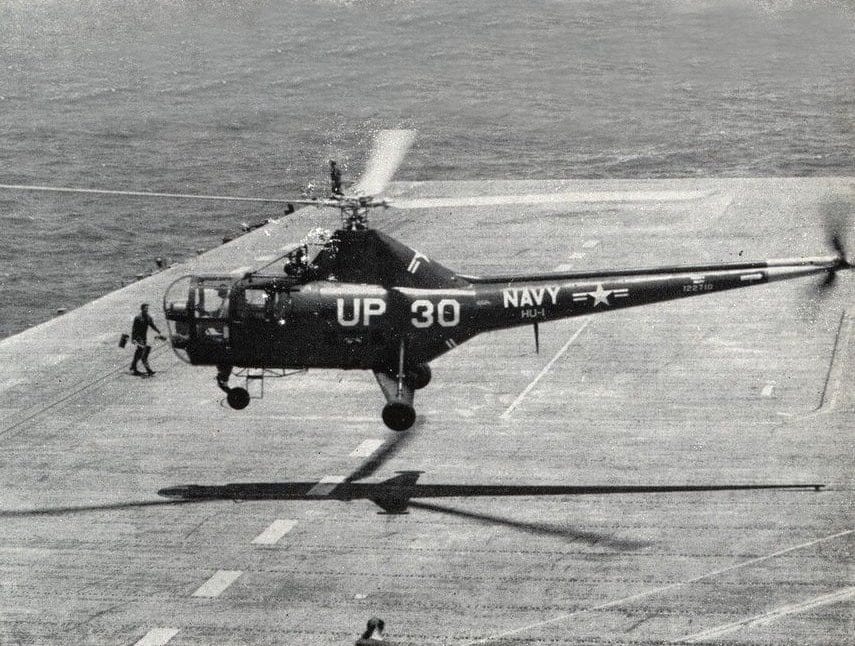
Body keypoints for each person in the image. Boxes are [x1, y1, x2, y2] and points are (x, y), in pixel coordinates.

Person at [130, 303, 164, 376]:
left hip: (144, 338)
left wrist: (159, 332)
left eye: (147, 308)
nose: (147, 310)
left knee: (138, 353)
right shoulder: (138, 318)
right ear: (142, 309)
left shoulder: (148, 317)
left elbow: (152, 325)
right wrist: (133, 338)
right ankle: (148, 370)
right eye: (145, 308)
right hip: (139, 338)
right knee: (142, 354)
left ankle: (133, 366)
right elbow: (134, 329)